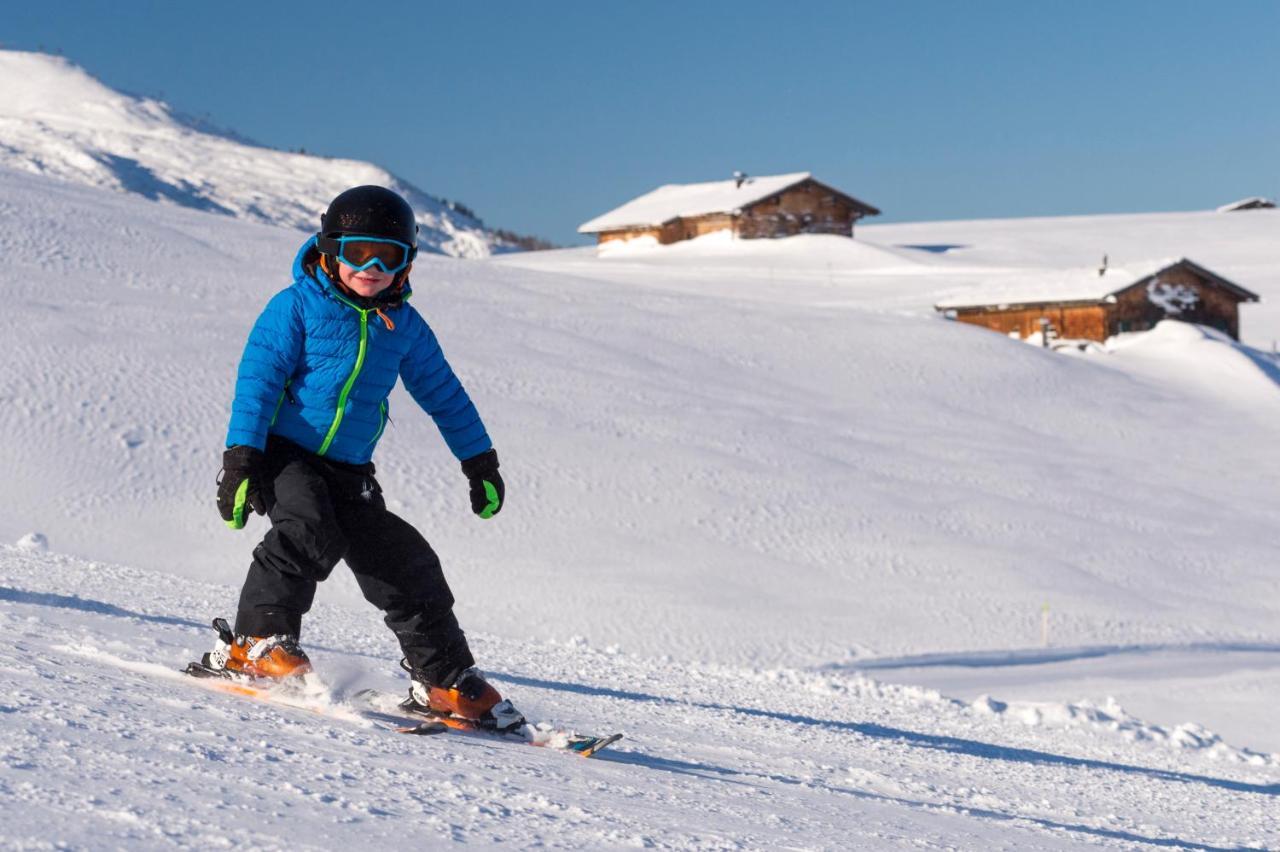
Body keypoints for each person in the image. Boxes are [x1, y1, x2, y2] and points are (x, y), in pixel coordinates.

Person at [203, 185, 522, 731]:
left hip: (351, 469)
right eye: (357, 252)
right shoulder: (295, 306)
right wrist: (240, 462)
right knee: (307, 528)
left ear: (407, 262)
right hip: (284, 454)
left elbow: (445, 395)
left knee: (406, 560)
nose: (371, 267)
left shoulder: (404, 327)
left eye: (389, 255)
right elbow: (256, 384)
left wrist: (479, 462)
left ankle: (444, 680)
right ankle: (256, 642)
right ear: (331, 250)